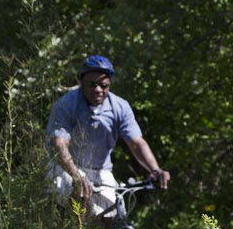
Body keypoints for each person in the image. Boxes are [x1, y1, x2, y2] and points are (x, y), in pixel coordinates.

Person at [46, 55, 169, 218]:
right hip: (66, 168)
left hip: (100, 170)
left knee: (114, 215)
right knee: (78, 202)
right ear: (81, 82)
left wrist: (155, 169)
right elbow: (60, 143)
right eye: (92, 84)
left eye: (103, 85)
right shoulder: (66, 104)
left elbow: (136, 143)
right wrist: (75, 174)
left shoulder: (119, 107)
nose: (98, 90)